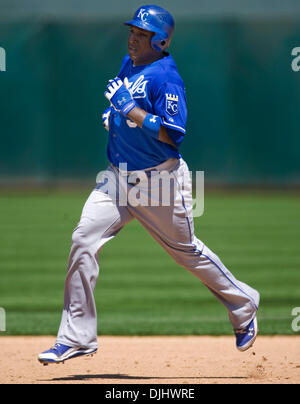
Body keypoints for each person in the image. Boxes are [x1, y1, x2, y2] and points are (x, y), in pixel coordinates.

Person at [38, 5, 260, 365]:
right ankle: (77, 337)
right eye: (132, 31)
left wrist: (131, 111)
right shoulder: (131, 64)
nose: (132, 38)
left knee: (186, 253)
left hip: (159, 183)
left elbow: (173, 135)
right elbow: (127, 111)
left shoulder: (165, 77)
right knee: (83, 240)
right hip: (117, 178)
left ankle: (244, 303)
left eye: (141, 34)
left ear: (160, 40)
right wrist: (116, 116)